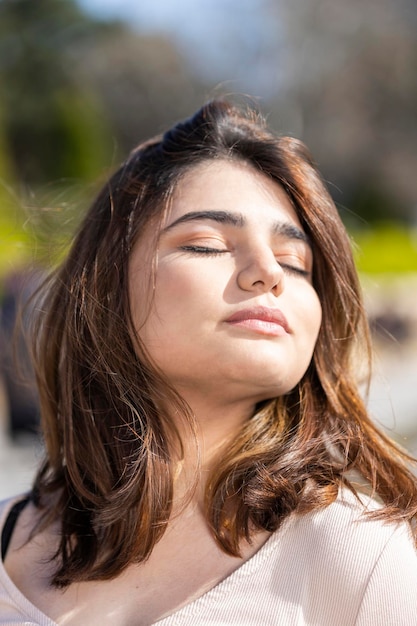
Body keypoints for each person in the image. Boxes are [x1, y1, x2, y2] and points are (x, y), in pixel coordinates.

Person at [1, 98, 417, 625]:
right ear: (104, 288)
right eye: (206, 244)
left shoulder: (361, 564)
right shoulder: (8, 540)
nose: (269, 271)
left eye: (296, 262)